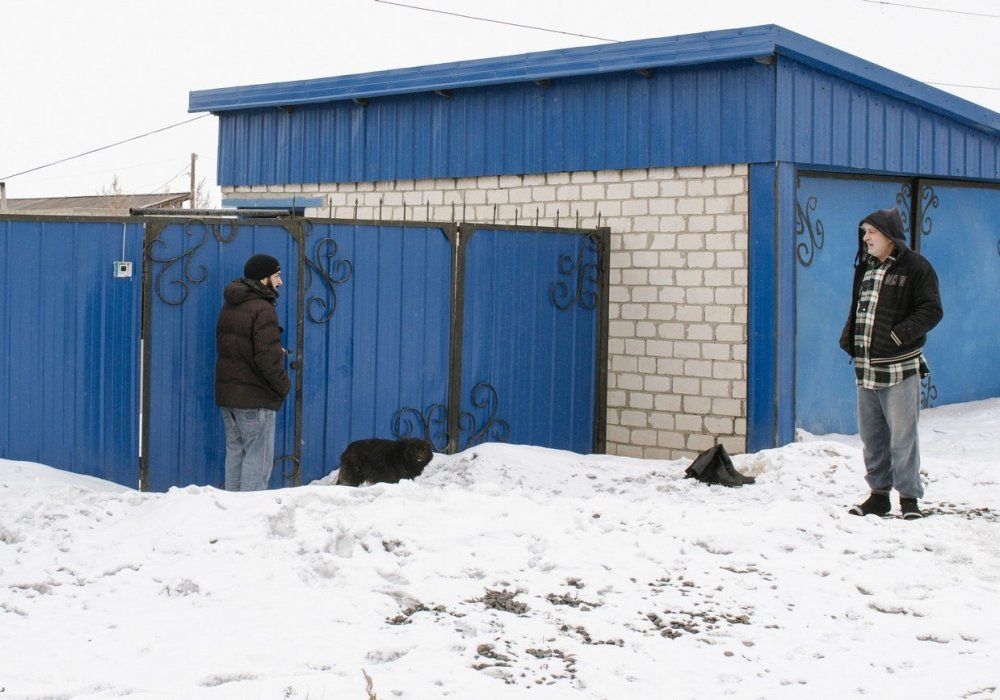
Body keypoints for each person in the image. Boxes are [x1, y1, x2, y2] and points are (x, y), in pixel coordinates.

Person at [839, 207, 942, 520]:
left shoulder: (916, 267)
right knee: (873, 437)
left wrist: (899, 335)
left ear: (889, 236)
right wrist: (849, 337)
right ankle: (878, 495)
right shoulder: (866, 266)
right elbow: (859, 308)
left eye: (871, 232)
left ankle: (909, 499)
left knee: (902, 438)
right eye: (864, 232)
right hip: (867, 366)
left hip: (899, 366)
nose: (866, 238)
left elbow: (931, 310)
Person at [215, 253, 291, 491]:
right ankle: (249, 514)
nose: (280, 282)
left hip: (229, 395)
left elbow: (236, 348)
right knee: (258, 461)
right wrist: (283, 385)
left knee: (236, 453)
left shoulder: (231, 304)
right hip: (255, 398)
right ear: (263, 278)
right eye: (276, 276)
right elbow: (266, 358)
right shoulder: (263, 309)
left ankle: (233, 513)